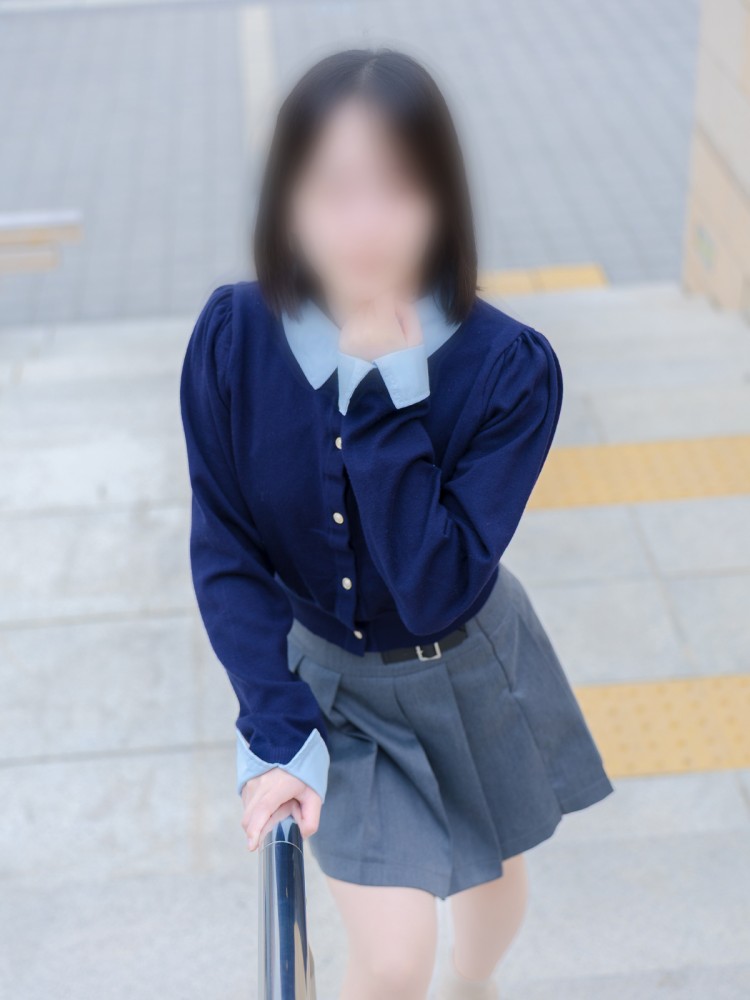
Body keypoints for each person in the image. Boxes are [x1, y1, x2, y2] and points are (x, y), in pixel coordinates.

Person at [181, 48, 612, 1000]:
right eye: (334, 189)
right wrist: (275, 729)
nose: (366, 225)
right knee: (389, 958)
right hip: (334, 683)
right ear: (287, 201)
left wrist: (380, 395)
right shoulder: (233, 338)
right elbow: (226, 551)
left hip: (470, 661)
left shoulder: (511, 372)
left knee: (491, 876)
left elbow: (436, 585)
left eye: (399, 189)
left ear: (443, 203)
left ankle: (475, 986)